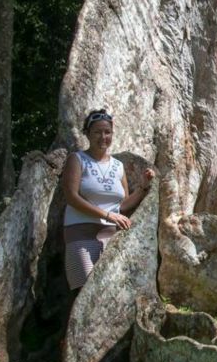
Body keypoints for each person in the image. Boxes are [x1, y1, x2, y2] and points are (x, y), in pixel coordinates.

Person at [61, 108, 156, 290]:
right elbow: (71, 197)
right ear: (87, 134)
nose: (103, 136)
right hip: (80, 233)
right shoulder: (77, 159)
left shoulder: (118, 166)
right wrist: (108, 215)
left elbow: (123, 206)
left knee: (107, 292)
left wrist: (143, 186)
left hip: (111, 236)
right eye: (97, 131)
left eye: (107, 132)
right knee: (85, 290)